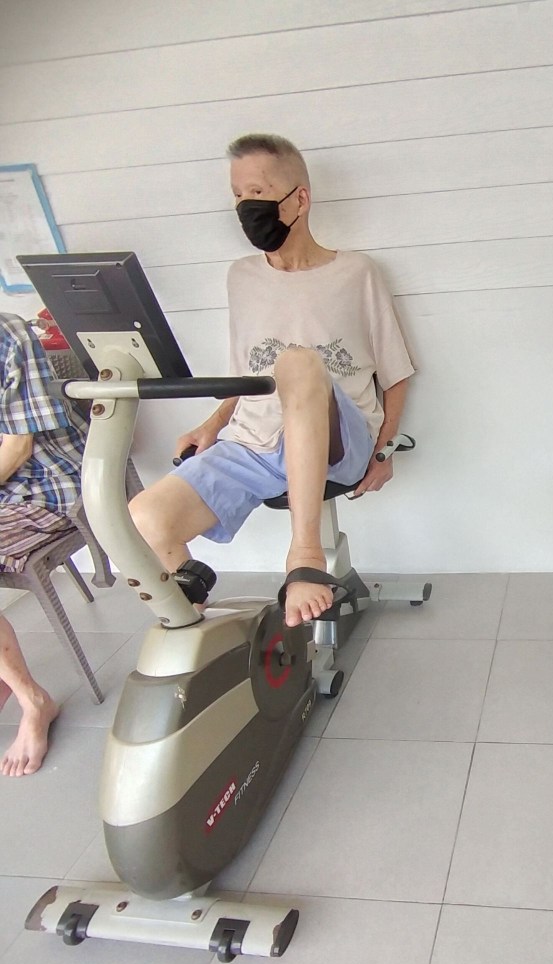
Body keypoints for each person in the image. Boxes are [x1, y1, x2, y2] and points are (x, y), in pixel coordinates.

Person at [130, 134, 415, 628]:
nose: (246, 206)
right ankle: (196, 619)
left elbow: (396, 374)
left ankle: (304, 556)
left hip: (338, 441)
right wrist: (212, 424)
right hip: (253, 443)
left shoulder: (356, 272)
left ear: (299, 199)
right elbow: (248, 377)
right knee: (143, 518)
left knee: (299, 363)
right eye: (238, 195)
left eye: (258, 193)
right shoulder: (241, 277)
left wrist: (385, 451)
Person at [0, 312, 88, 776]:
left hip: (44, 485)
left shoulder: (7, 335)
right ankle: (6, 674)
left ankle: (33, 700)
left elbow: (18, 447)